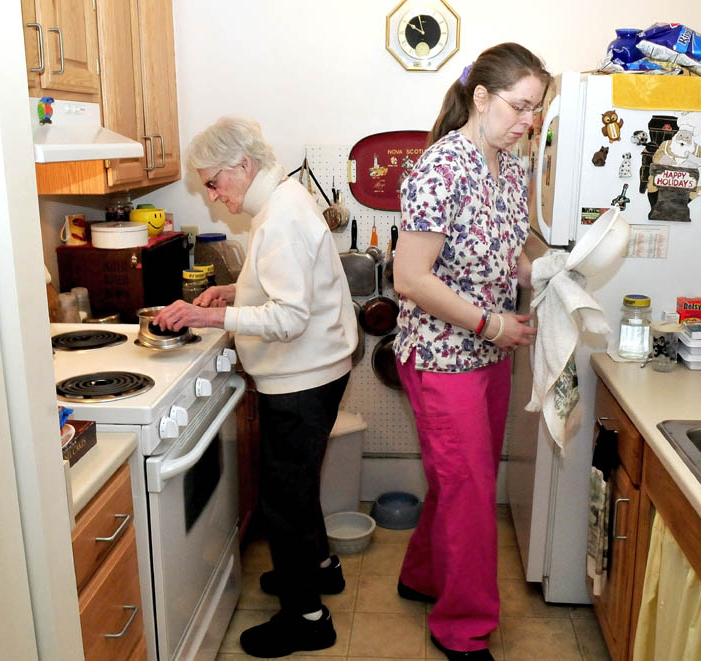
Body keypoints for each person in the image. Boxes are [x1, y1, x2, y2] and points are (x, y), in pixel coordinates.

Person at [154, 116, 357, 658]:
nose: (214, 197)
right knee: (297, 487)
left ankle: (308, 618)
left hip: (301, 379)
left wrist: (210, 319)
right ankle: (319, 570)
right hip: (317, 370)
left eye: (214, 183)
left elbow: (288, 316)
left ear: (243, 166)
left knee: (283, 502)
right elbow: (285, 284)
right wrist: (230, 291)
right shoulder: (280, 201)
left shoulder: (280, 218)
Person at [392, 43, 551, 661]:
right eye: (519, 107)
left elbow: (509, 251)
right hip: (440, 358)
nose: (527, 122)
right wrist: (491, 326)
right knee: (470, 492)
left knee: (459, 480)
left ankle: (421, 576)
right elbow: (411, 278)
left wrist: (551, 271)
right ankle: (463, 629)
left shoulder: (509, 166)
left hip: (489, 353)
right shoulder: (440, 168)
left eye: (535, 111)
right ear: (481, 98)